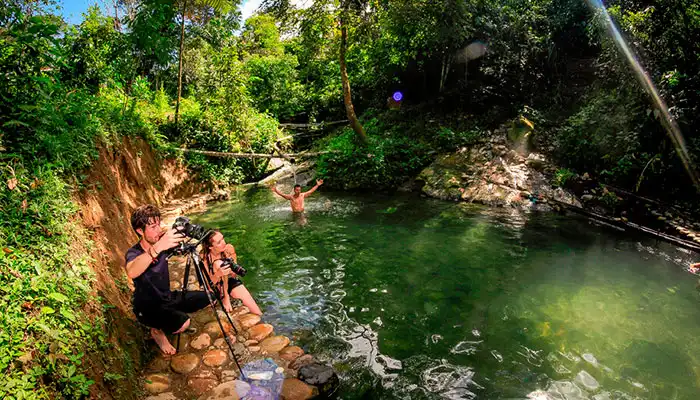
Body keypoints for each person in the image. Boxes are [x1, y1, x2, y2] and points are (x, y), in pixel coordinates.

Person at [124, 204, 210, 355]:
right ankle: (156, 332)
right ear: (140, 231)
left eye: (159, 225)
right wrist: (158, 247)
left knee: (209, 296)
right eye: (153, 227)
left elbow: (178, 247)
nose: (158, 230)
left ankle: (171, 313)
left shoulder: (160, 241)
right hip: (147, 307)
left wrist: (183, 234)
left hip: (167, 297)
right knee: (184, 323)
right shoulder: (134, 252)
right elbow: (131, 271)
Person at [200, 231, 262, 315]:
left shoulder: (229, 248)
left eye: (223, 238)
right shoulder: (204, 257)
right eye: (219, 242)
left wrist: (232, 267)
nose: (224, 243)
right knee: (219, 264)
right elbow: (208, 284)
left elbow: (234, 274)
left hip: (229, 281)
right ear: (210, 247)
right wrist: (219, 274)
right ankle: (225, 296)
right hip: (214, 285)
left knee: (257, 312)